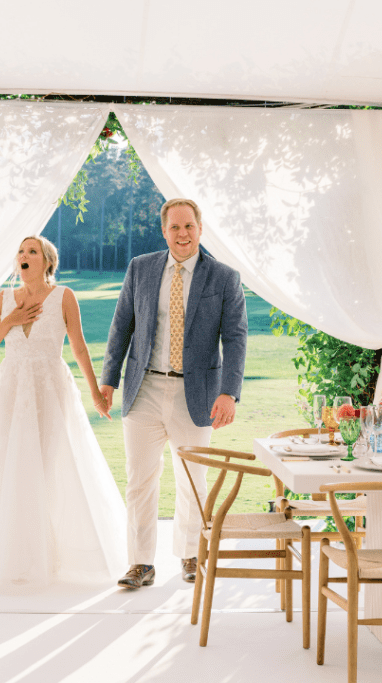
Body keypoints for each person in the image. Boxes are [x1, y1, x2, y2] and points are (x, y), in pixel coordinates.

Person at [0, 235, 126, 588]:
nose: (24, 255)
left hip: (50, 390)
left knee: (49, 468)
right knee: (9, 468)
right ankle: (13, 557)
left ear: (47, 262)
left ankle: (50, 554)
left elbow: (78, 347)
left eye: (32, 251)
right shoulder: (4, 299)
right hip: (12, 392)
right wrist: (11, 319)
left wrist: (96, 392)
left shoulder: (64, 296)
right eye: (21, 251)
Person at [100, 198, 248, 589]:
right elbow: (121, 326)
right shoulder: (141, 268)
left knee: (193, 479)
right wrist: (108, 380)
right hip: (144, 388)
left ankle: (190, 554)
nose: (182, 234)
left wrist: (229, 392)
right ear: (164, 231)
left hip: (196, 393)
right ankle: (140, 563)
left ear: (200, 229)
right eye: (175, 227)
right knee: (140, 480)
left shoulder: (224, 277)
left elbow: (235, 338)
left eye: (189, 226)